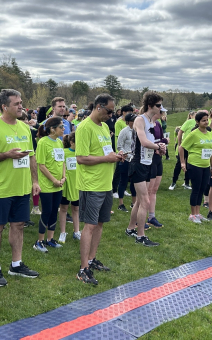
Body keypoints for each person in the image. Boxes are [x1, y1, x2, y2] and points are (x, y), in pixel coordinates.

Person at [0, 89, 40, 287]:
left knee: (19, 225)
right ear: (4, 107)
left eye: (21, 102)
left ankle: (16, 264)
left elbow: (31, 156)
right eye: (17, 104)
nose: (21, 106)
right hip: (1, 188)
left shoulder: (24, 128)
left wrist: (35, 182)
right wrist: (6, 155)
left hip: (22, 188)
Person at [75, 94, 124, 285]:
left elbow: (105, 152)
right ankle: (83, 269)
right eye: (109, 111)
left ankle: (91, 259)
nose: (111, 116)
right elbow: (81, 158)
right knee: (90, 225)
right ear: (98, 107)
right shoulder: (84, 127)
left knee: (100, 223)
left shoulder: (104, 127)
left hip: (105, 183)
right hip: (91, 184)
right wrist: (107, 159)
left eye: (113, 112)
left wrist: (116, 155)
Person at [125, 91, 165, 246]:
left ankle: (130, 228)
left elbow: (151, 143)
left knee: (141, 201)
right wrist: (158, 147)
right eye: (158, 105)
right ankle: (140, 236)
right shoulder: (140, 120)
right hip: (138, 163)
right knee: (145, 201)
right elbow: (143, 141)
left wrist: (159, 146)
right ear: (150, 106)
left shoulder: (152, 122)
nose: (161, 108)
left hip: (147, 163)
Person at [33, 118, 66, 252]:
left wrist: (63, 177)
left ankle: (50, 239)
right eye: (61, 127)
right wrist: (53, 180)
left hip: (59, 184)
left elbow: (62, 161)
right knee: (46, 211)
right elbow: (41, 165)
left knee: (54, 211)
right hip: (47, 185)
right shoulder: (43, 142)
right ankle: (39, 241)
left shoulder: (59, 142)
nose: (63, 129)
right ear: (52, 129)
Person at [179, 111, 212, 224]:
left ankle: (198, 213)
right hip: (195, 165)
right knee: (196, 189)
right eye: (203, 120)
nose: (206, 122)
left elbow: (211, 151)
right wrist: (182, 162)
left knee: (202, 189)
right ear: (198, 122)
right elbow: (182, 147)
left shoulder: (209, 133)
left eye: (207, 120)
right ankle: (192, 214)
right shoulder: (193, 134)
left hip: (206, 166)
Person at [58, 132, 81, 243]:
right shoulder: (64, 152)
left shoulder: (80, 153)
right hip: (66, 186)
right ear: (72, 142)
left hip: (77, 185)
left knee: (76, 209)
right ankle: (63, 232)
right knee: (63, 209)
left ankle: (76, 231)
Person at [170, 110, 200, 190]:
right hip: (186, 146)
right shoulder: (189, 122)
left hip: (193, 148)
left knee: (189, 165)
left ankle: (186, 183)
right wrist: (180, 144)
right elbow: (180, 132)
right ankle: (173, 182)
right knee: (179, 164)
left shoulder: (201, 124)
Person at [116, 113, 137, 212]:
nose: (135, 121)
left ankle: (134, 203)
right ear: (128, 122)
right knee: (123, 181)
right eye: (133, 120)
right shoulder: (124, 131)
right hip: (126, 160)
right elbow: (119, 146)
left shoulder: (138, 131)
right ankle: (121, 204)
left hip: (135, 160)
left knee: (134, 182)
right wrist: (126, 154)